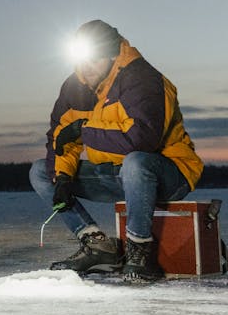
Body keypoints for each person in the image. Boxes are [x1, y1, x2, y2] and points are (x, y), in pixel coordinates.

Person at [30, 20, 203, 282]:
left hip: (167, 173)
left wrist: (84, 130)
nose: (87, 69)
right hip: (115, 175)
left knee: (135, 162)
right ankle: (97, 245)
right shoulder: (74, 87)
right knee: (41, 172)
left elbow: (140, 140)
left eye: (95, 60)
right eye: (83, 60)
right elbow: (61, 136)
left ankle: (139, 251)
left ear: (113, 55)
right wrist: (63, 177)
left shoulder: (142, 79)